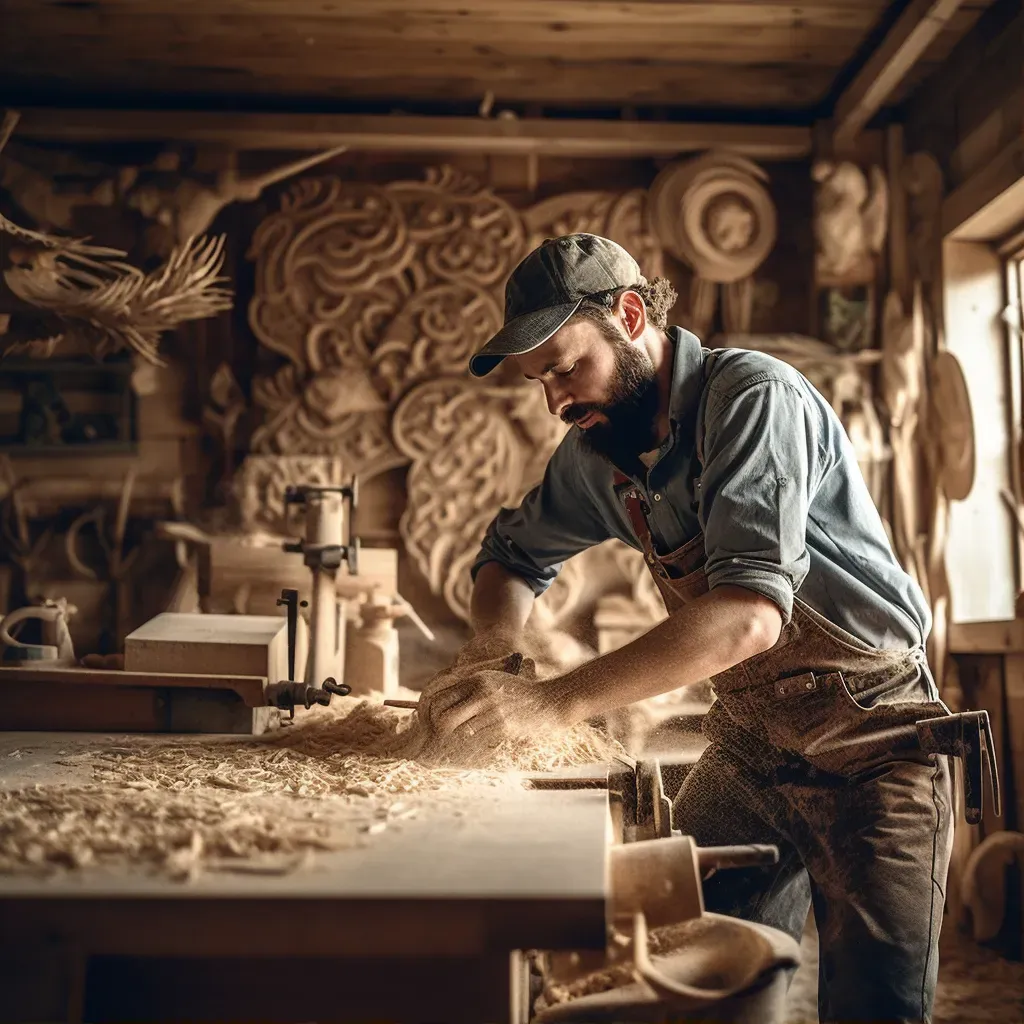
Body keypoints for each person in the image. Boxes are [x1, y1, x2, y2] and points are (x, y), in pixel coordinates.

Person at [419, 233, 953, 1024]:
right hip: (750, 740)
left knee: (876, 1005)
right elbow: (508, 557)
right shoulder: (598, 451)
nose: (556, 401)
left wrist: (551, 703)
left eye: (566, 367)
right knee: (666, 965)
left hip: (872, 739)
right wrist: (495, 659)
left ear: (631, 315)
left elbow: (747, 617)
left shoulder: (750, 399)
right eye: (539, 383)